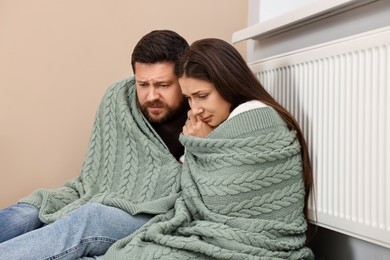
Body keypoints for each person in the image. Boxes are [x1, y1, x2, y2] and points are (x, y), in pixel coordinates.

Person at [103, 38, 315, 259]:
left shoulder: (256, 116)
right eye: (189, 99)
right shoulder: (215, 125)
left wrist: (201, 146)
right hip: (218, 234)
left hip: (257, 241)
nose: (196, 109)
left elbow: (221, 201)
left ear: (228, 83)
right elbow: (182, 184)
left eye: (202, 96)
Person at [0, 30, 189, 259]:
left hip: (153, 212)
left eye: (163, 85)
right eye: (143, 84)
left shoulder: (202, 110)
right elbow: (96, 178)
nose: (151, 96)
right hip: (101, 193)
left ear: (183, 79)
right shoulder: (118, 98)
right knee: (26, 213)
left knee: (91, 217)